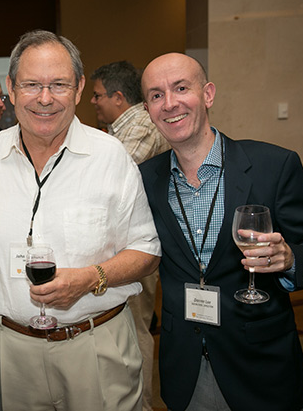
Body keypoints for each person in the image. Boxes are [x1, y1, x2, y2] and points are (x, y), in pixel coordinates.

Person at [0, 30, 162, 411]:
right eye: (31, 85)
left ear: (78, 89)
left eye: (58, 85)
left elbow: (147, 250)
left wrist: (90, 278)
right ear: (11, 88)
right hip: (10, 353)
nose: (45, 98)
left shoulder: (110, 157)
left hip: (96, 347)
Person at [138, 52, 303, 411]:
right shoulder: (144, 179)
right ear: (148, 109)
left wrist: (290, 259)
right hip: (185, 364)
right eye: (157, 95)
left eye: (181, 88)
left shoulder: (273, 166)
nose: (169, 103)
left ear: (208, 94)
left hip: (259, 365)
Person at [91, 60, 170, 411]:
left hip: (135, 248)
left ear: (119, 97)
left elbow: (106, 182)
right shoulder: (121, 128)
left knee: (136, 328)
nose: (93, 101)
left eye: (97, 95)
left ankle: (142, 403)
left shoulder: (140, 126)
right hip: (122, 247)